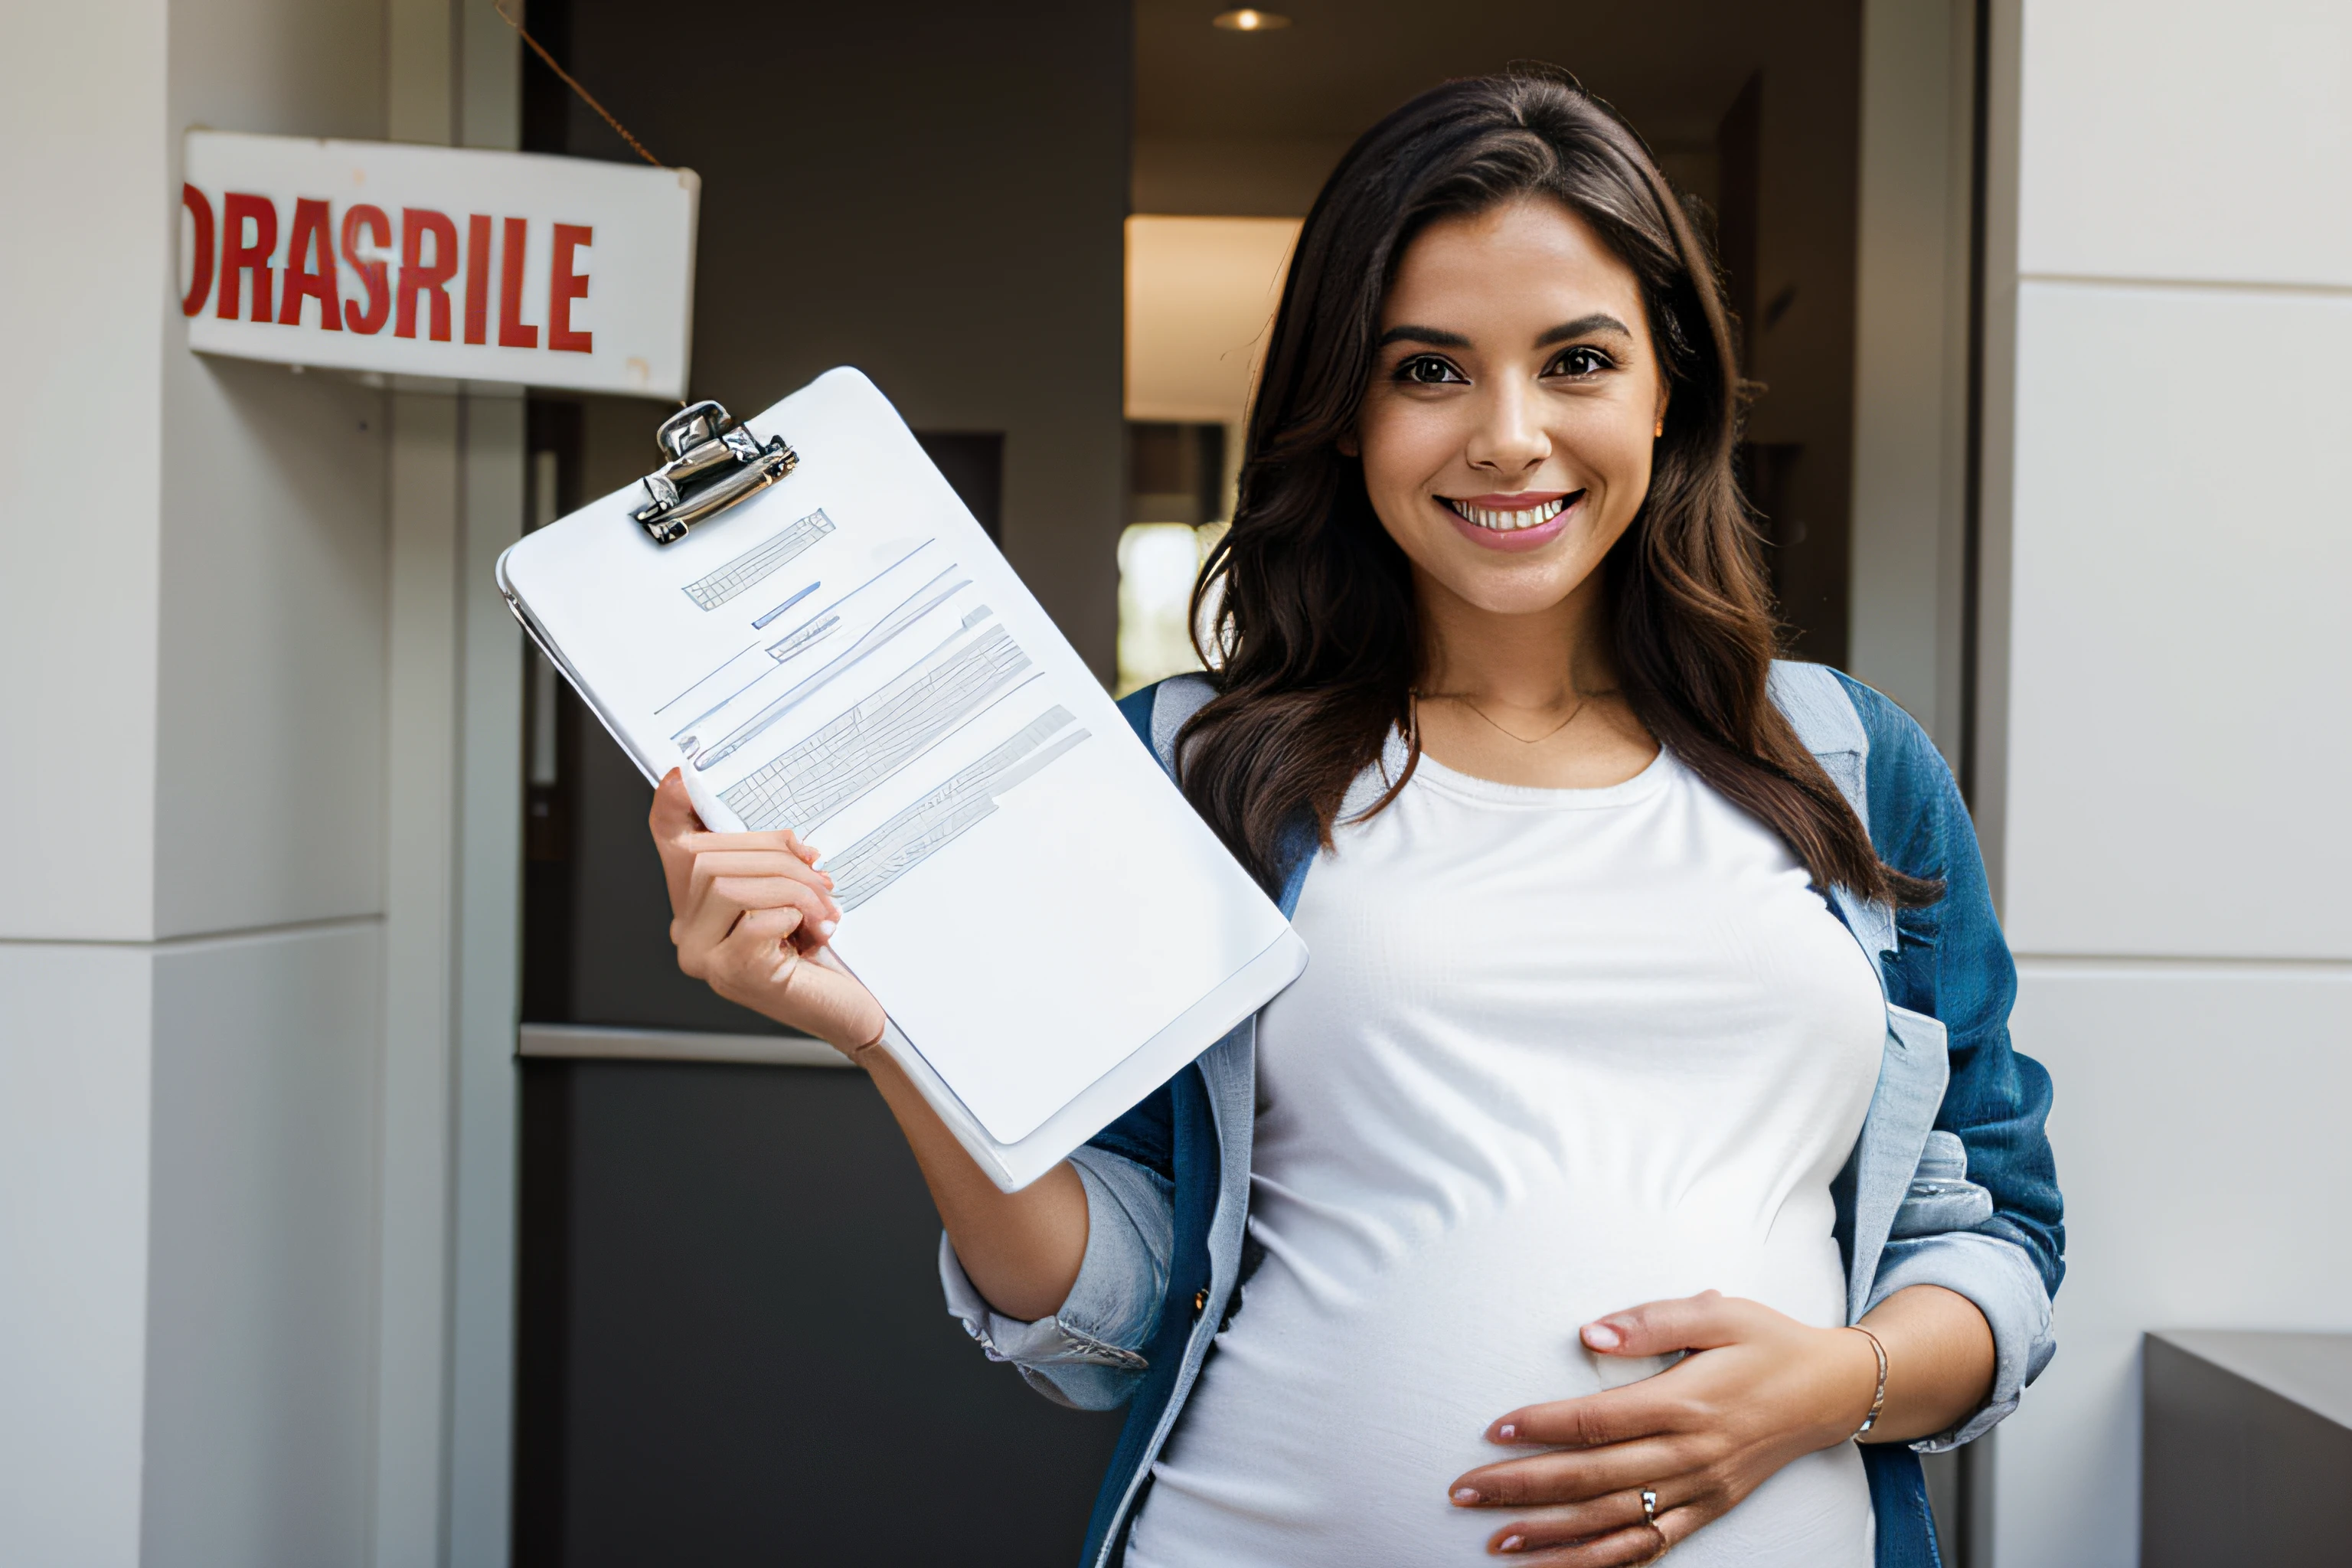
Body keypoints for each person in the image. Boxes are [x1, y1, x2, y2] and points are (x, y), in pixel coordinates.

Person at [647, 67, 2061, 1568]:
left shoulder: (1846, 759)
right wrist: (894, 1035)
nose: (1509, 436)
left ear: (1672, 391)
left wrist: (1837, 1383)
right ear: (1343, 413)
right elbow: (1108, 1304)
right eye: (1430, 371)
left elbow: (1997, 1235)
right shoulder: (1195, 769)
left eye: (1576, 359)